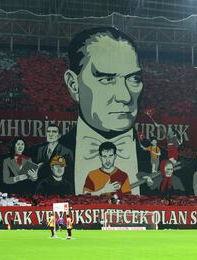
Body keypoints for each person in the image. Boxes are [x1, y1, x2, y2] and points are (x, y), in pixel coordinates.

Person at [62, 26, 149, 195]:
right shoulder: (42, 158)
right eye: (108, 79)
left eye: (134, 78)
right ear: (74, 85)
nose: (125, 96)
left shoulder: (163, 163)